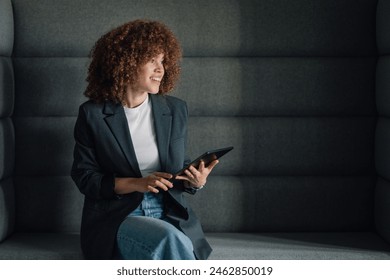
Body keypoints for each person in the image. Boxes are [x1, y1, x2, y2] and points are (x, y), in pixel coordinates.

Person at [71, 19, 218, 260]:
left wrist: (195, 181)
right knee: (169, 241)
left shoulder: (175, 109)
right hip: (119, 217)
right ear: (125, 63)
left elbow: (180, 167)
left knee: (174, 241)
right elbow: (85, 178)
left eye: (163, 61)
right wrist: (138, 183)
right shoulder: (93, 114)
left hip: (169, 213)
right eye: (152, 61)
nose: (161, 69)